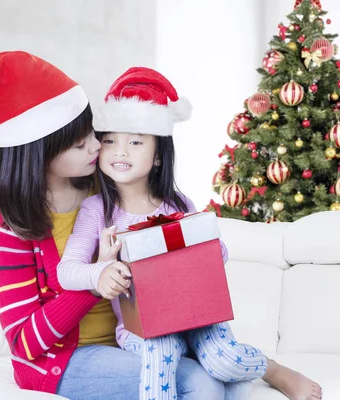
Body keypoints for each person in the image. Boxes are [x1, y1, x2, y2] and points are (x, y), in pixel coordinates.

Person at [0, 51, 232, 400]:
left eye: (95, 135)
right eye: (81, 143)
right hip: (63, 361)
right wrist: (95, 281)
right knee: (197, 384)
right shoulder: (9, 227)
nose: (98, 147)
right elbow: (25, 342)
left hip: (135, 338)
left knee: (223, 377)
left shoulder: (105, 190)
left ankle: (268, 369)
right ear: (42, 153)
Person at [58, 67, 323, 400]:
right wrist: (100, 272)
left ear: (157, 157)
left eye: (135, 141)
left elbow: (213, 255)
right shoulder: (97, 210)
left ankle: (274, 370)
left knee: (224, 362)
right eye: (110, 140)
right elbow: (67, 272)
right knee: (159, 353)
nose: (120, 151)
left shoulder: (177, 204)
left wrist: (210, 252)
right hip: (143, 327)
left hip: (196, 316)